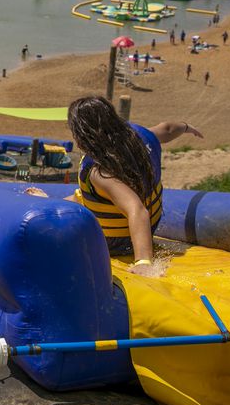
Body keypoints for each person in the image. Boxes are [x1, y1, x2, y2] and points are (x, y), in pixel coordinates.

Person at [64, 96, 204, 273]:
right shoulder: (138, 137)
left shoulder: (100, 172)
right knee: (77, 198)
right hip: (149, 223)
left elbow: (137, 210)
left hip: (119, 242)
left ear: (82, 135)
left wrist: (143, 262)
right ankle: (46, 201)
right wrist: (186, 127)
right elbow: (167, 129)